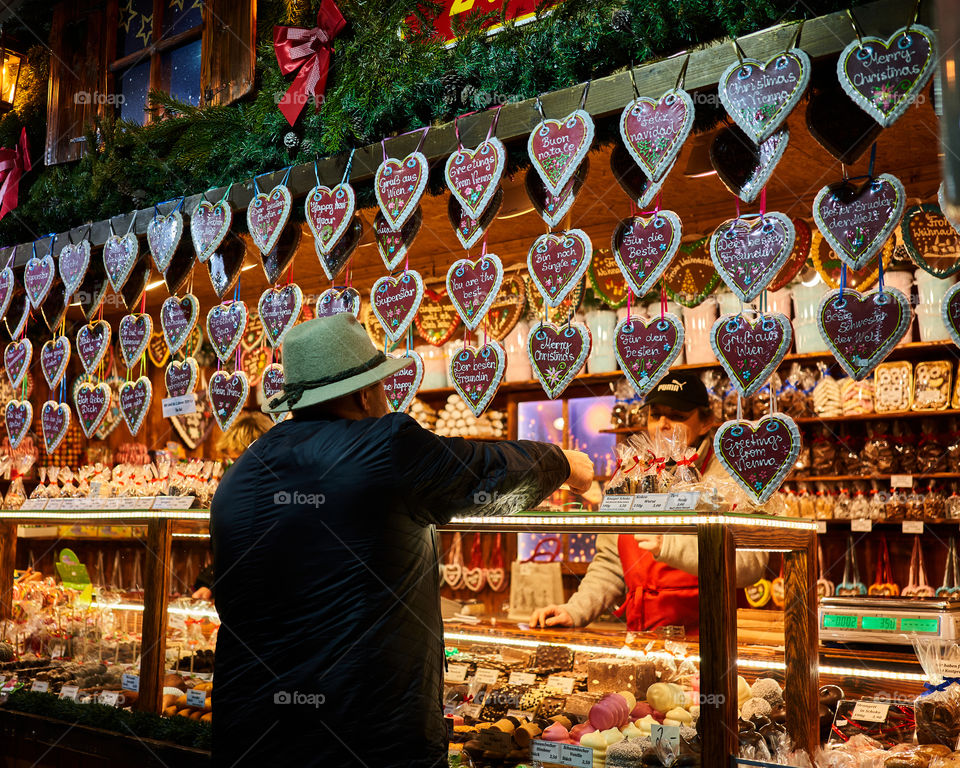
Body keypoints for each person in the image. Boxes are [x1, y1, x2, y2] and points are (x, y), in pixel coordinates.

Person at [209, 313, 593, 768]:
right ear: (366, 392)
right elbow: (486, 470)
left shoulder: (241, 473)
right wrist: (566, 464)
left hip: (250, 734)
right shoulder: (385, 446)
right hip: (366, 738)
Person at [530, 372, 768, 632]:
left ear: (706, 422)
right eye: (655, 415)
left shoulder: (732, 474)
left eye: (677, 415)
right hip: (645, 634)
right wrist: (574, 610)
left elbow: (751, 565)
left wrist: (668, 545)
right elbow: (610, 562)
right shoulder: (631, 475)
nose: (663, 424)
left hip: (713, 633)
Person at [191, 412, 274, 601]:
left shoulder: (275, 491)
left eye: (239, 460)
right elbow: (232, 550)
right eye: (232, 461)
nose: (235, 468)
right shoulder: (239, 490)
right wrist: (209, 584)